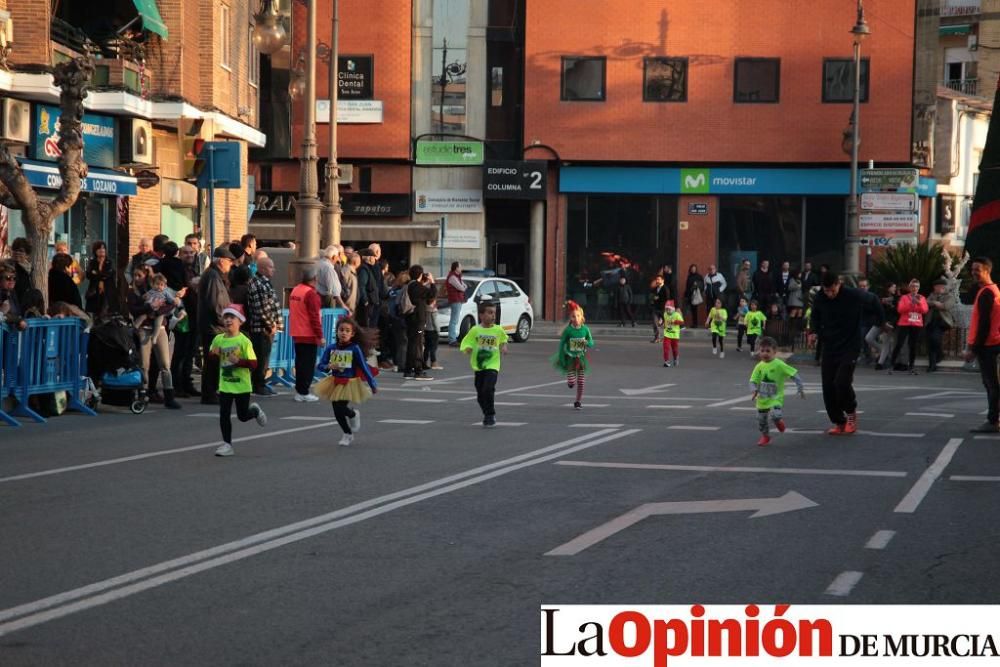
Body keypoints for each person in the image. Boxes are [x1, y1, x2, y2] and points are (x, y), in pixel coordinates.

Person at [809, 272, 887, 435]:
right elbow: (815, 316)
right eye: (826, 290)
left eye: (832, 290)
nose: (829, 294)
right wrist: (813, 332)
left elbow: (874, 300)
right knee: (828, 386)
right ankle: (839, 421)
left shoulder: (853, 294)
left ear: (839, 284)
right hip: (830, 345)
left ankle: (851, 414)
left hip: (850, 345)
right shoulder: (820, 297)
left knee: (841, 382)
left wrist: (881, 322)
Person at [208, 306, 267, 457]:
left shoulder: (244, 341)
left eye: (231, 317)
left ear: (240, 321)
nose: (228, 320)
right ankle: (227, 444)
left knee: (242, 416)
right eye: (225, 317)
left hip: (241, 385)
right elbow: (211, 360)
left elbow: (254, 364)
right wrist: (214, 355)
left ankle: (254, 411)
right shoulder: (218, 339)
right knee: (224, 414)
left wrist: (239, 361)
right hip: (225, 383)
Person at [313, 317, 379, 447]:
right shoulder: (331, 348)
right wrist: (328, 367)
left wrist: (372, 384)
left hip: (349, 382)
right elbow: (321, 365)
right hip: (334, 381)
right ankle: (347, 433)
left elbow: (364, 367)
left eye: (347, 330)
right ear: (337, 332)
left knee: (341, 407)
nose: (343, 333)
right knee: (337, 412)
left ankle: (353, 414)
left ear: (352, 334)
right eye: (341, 330)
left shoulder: (355, 349)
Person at [749, 336, 806, 447]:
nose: (764, 353)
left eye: (768, 351)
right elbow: (753, 380)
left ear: (774, 352)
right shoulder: (759, 366)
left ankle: (778, 421)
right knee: (761, 420)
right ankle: (765, 436)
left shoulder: (779, 364)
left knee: (775, 414)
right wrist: (754, 390)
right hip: (762, 398)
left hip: (776, 397)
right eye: (762, 351)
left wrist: (800, 387)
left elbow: (793, 374)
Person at [964, 257, 1000, 433]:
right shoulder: (992, 290)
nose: (974, 273)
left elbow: (984, 324)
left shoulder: (987, 293)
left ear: (987, 270)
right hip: (991, 343)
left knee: (992, 385)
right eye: (972, 270)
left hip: (987, 345)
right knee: (992, 384)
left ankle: (993, 421)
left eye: (977, 269)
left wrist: (973, 350)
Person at [460, 299, 509, 428]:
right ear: (481, 315)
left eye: (494, 313)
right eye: (490, 312)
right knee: (480, 394)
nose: (493, 315)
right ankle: (486, 412)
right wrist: (468, 348)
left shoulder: (498, 330)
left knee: (488, 388)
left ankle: (490, 414)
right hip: (479, 366)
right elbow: (467, 341)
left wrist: (504, 346)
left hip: (493, 365)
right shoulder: (475, 330)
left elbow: (504, 339)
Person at [197, 246, 235, 405]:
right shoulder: (213, 277)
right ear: (221, 261)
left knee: (215, 361)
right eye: (229, 261)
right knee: (212, 361)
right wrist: (225, 322)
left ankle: (212, 391)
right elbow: (215, 303)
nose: (231, 264)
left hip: (215, 326)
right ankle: (209, 393)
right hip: (214, 327)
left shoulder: (215, 276)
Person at [247, 257, 282, 396]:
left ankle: (261, 383)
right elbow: (260, 307)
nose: (273, 270)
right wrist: (271, 324)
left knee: (265, 357)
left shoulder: (264, 283)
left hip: (266, 327)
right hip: (261, 328)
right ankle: (258, 384)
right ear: (262, 268)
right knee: (261, 357)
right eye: (270, 267)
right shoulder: (257, 284)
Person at [289, 266, 325, 402]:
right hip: (308, 333)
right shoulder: (311, 294)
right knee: (308, 364)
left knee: (300, 363)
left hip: (297, 332)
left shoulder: (296, 290)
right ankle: (304, 391)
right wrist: (320, 336)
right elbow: (315, 317)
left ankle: (300, 390)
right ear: (315, 279)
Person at [550, 300, 594, 410]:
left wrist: (586, 343)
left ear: (582, 316)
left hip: (581, 358)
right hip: (570, 357)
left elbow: (592, 342)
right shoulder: (568, 330)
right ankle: (570, 382)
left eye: (578, 316)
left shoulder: (585, 329)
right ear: (571, 318)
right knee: (571, 382)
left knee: (581, 381)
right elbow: (562, 344)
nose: (576, 318)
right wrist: (561, 358)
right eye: (574, 316)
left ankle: (578, 401)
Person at [171, 244, 201, 398]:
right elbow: (177, 290)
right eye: (186, 253)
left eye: (191, 252)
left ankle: (187, 383)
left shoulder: (193, 269)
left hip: (194, 315)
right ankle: (177, 385)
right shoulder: (178, 270)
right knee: (181, 352)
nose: (189, 255)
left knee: (190, 352)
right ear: (180, 254)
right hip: (183, 316)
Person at [889, 278, 928, 375]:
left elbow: (925, 310)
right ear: (909, 287)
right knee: (899, 344)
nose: (915, 288)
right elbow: (900, 309)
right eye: (913, 286)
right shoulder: (904, 298)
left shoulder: (922, 298)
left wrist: (918, 303)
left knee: (913, 346)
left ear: (919, 288)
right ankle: (891, 365)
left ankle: (911, 366)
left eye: (917, 286)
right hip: (905, 323)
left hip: (916, 323)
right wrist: (911, 303)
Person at [404, 265, 436, 380]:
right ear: (420, 275)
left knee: (412, 343)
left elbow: (426, 298)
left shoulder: (409, 285)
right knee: (417, 344)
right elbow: (432, 294)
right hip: (418, 319)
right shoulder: (416, 286)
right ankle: (418, 370)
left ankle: (408, 370)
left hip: (410, 318)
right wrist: (432, 282)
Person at [925, 278, 955, 373]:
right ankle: (932, 365)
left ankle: (939, 356)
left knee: (935, 339)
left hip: (942, 322)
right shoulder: (932, 295)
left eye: (941, 286)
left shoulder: (949, 296)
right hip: (930, 321)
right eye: (937, 287)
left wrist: (935, 304)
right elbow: (926, 302)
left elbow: (946, 306)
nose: (939, 288)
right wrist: (935, 303)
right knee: (930, 343)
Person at [866, 283, 899, 371]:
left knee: (886, 342)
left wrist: (891, 323)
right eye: (893, 287)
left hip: (889, 323)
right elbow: (876, 310)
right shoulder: (880, 297)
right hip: (880, 322)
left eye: (895, 287)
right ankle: (882, 350)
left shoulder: (896, 299)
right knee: (868, 338)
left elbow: (897, 313)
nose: (895, 289)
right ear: (888, 288)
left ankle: (880, 363)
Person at [84, 241, 119, 318]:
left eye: (103, 248)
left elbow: (109, 274)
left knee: (105, 313)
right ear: (95, 251)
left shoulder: (109, 262)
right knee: (95, 315)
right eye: (99, 248)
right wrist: (101, 275)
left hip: (107, 291)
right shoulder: (92, 262)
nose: (102, 250)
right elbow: (88, 275)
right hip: (94, 292)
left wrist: (97, 273)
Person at [316, 245, 346, 309]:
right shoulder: (328, 268)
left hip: (317, 298)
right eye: (337, 256)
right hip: (326, 300)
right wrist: (343, 305)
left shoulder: (318, 264)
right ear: (334, 257)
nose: (338, 259)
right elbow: (334, 290)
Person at [445, 261, 468, 346]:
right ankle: (452, 339)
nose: (461, 268)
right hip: (455, 300)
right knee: (454, 321)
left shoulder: (457, 277)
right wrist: (463, 287)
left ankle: (453, 338)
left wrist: (463, 287)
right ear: (456, 268)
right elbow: (462, 288)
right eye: (460, 266)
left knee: (455, 320)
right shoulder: (453, 277)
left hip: (458, 300)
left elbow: (465, 286)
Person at [661, 300, 684, 367]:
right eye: (666, 309)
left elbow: (682, 322)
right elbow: (665, 322)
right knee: (666, 348)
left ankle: (676, 358)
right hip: (667, 334)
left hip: (675, 335)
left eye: (669, 309)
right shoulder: (665, 314)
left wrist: (675, 322)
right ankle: (666, 361)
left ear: (672, 309)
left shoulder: (676, 314)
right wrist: (662, 324)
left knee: (674, 349)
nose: (667, 311)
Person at [649, 274, 669, 343]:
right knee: (655, 323)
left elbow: (667, 298)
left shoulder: (665, 288)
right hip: (655, 308)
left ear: (662, 280)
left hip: (663, 309)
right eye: (656, 279)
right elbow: (651, 296)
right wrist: (653, 299)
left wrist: (658, 298)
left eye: (659, 279)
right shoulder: (655, 288)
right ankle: (657, 337)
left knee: (667, 324)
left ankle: (668, 338)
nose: (657, 281)